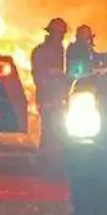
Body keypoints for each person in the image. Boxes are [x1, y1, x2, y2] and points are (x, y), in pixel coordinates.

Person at [31, 18, 69, 154]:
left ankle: (55, 155)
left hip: (59, 94)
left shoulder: (61, 50)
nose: (61, 37)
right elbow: (38, 76)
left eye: (62, 34)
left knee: (58, 126)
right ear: (52, 33)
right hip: (46, 95)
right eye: (59, 33)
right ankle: (45, 155)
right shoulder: (40, 51)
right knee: (48, 126)